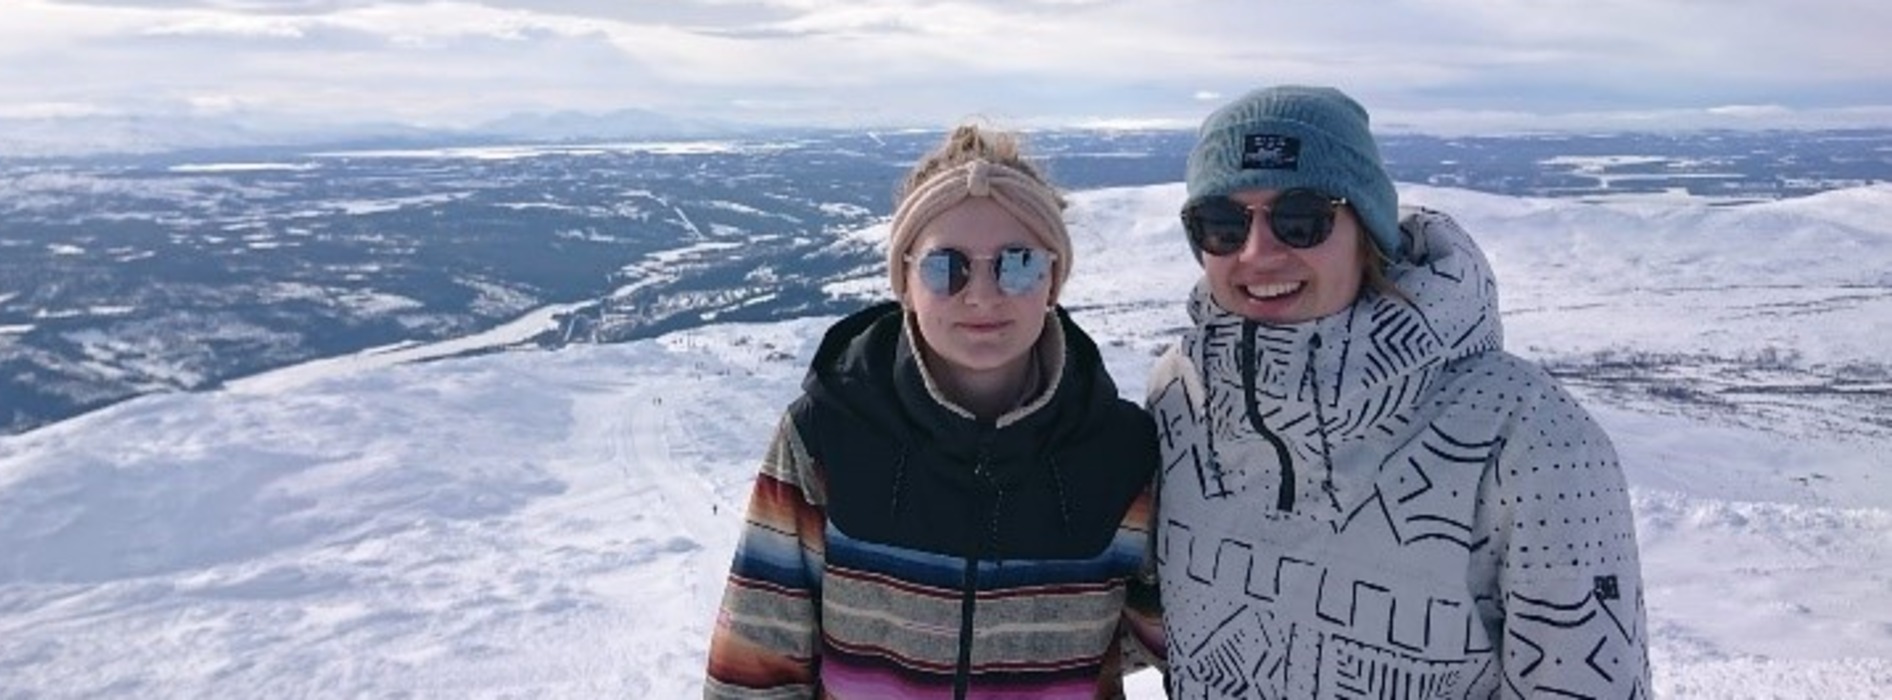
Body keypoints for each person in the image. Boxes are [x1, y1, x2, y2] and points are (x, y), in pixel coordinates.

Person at [1147, 86, 1650, 697]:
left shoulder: (1527, 435)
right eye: (1223, 224)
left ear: (1368, 230)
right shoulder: (1180, 396)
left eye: (1301, 220)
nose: (1258, 253)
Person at [704, 125, 1165, 699]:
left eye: (1018, 263)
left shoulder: (1120, 455)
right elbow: (755, 667)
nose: (982, 295)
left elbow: (1198, 646)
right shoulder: (827, 437)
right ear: (904, 281)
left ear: (1052, 280)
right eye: (945, 266)